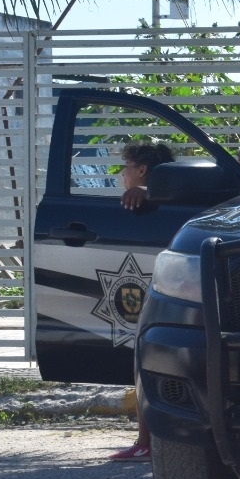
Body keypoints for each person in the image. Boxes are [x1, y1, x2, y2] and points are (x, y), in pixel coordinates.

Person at [109, 142, 175, 461]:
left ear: (143, 170)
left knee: (145, 356)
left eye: (127, 168)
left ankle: (147, 441)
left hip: (168, 294)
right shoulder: (146, 198)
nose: (123, 175)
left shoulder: (159, 198)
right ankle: (145, 439)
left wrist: (148, 191)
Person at [117, 141, 175, 211]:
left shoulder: (161, 205)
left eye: (126, 166)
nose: (123, 173)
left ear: (142, 170)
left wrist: (146, 191)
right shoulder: (173, 205)